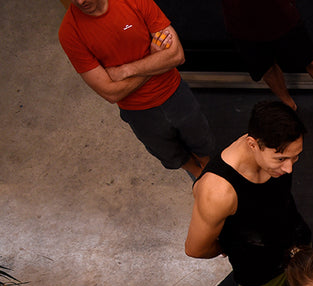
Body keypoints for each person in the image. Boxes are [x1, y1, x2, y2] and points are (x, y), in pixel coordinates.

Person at [185, 101, 311, 286]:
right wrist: (230, 246)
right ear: (253, 144)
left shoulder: (271, 144)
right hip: (259, 271)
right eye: (281, 159)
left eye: (295, 157)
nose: (289, 168)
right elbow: (195, 248)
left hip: (295, 243)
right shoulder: (218, 192)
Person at [59, 0, 215, 179]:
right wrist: (154, 59)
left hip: (174, 91)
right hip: (138, 112)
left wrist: (125, 71)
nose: (80, 1)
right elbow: (111, 92)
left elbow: (177, 55)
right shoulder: (69, 33)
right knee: (168, 153)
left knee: (201, 139)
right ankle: (196, 173)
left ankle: (207, 166)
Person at [222, 0, 313, 122]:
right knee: (266, 67)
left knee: (310, 59)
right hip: (241, 20)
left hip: (278, 12)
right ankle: (288, 105)